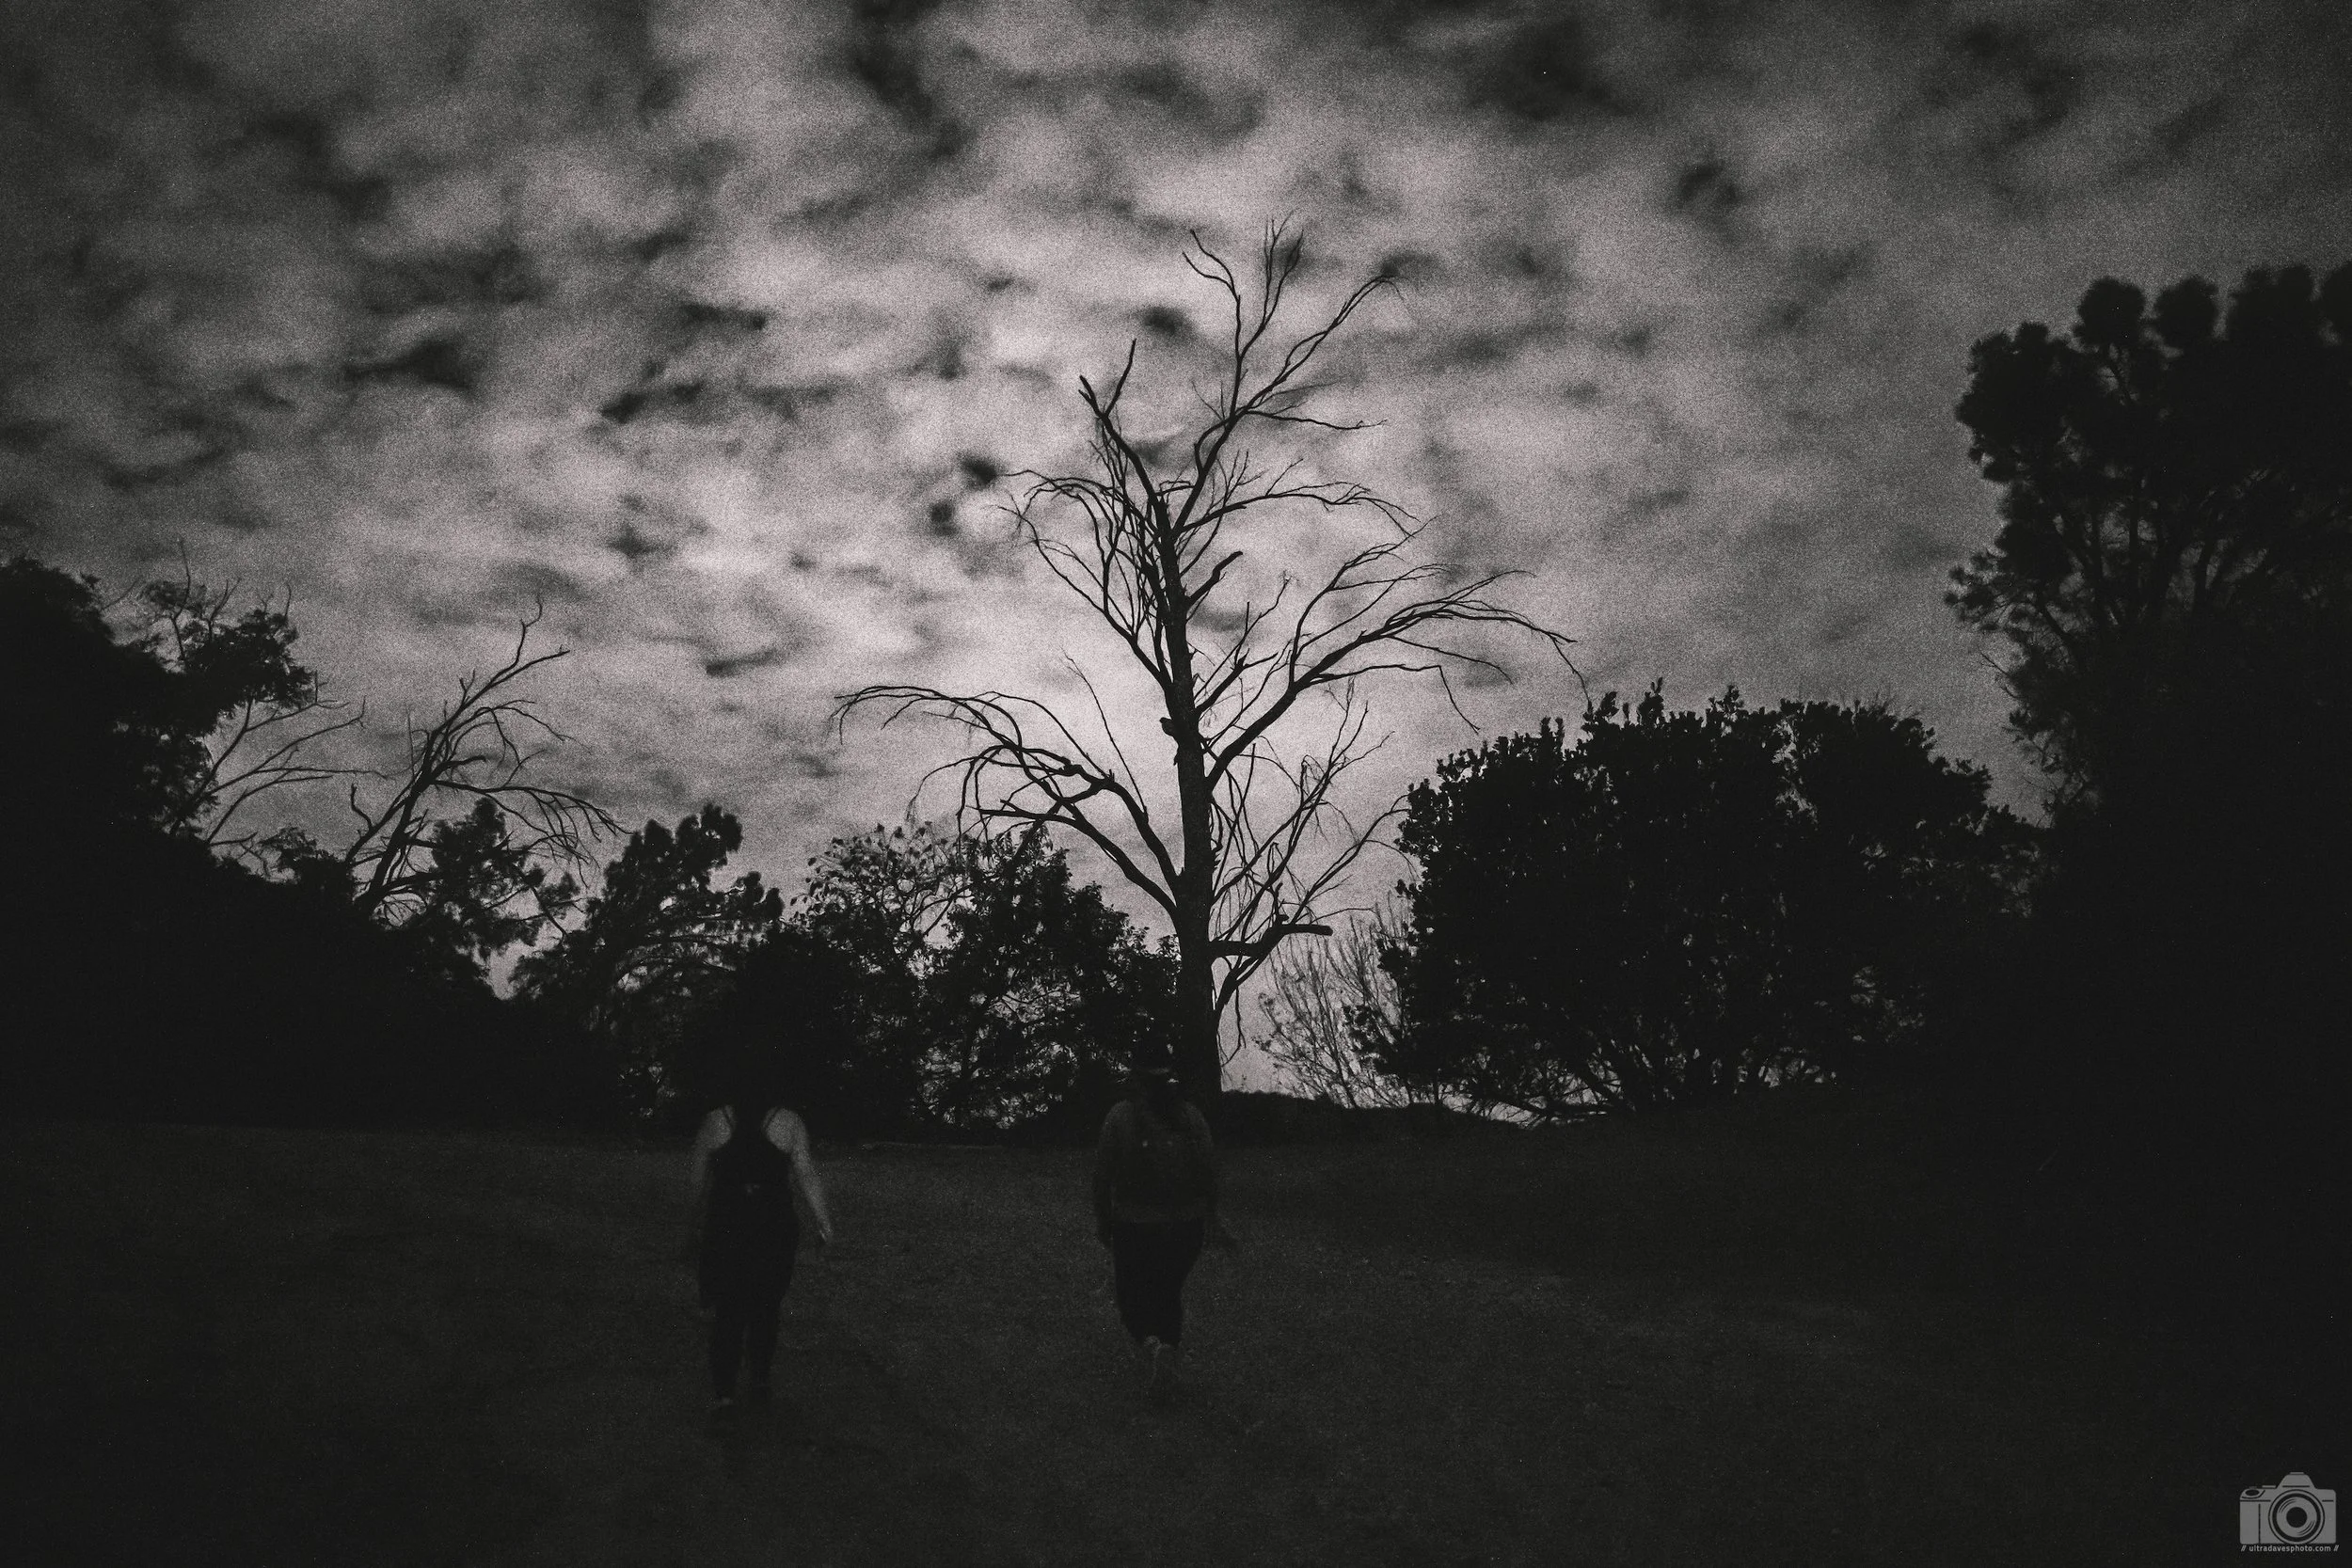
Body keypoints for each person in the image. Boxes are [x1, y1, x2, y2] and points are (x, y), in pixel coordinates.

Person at [684, 1077, 835, 1423]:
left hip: (727, 1224)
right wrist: (824, 1222)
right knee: (766, 1306)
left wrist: (690, 1229)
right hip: (773, 1225)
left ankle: (724, 1396)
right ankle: (760, 1381)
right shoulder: (788, 1122)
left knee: (728, 1310)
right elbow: (806, 1173)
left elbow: (697, 1181)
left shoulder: (714, 1122)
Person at [1092, 1054, 1234, 1401]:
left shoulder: (1120, 1116)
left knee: (1131, 1295)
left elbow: (1103, 1175)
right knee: (1168, 1294)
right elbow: (1209, 1171)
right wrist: (1211, 1216)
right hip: (1186, 1225)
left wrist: (1103, 1220)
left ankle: (1154, 1346)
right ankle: (1167, 1351)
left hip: (1135, 1223)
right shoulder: (1190, 1117)